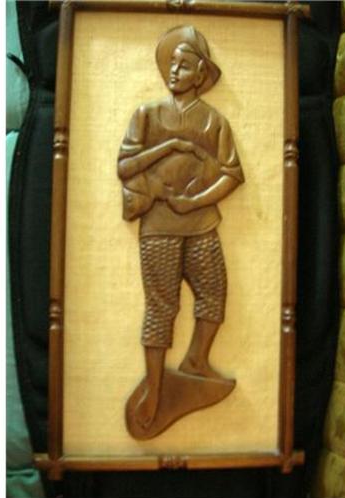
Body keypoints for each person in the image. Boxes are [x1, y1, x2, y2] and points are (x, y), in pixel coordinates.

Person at [118, 25, 244, 430]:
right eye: (171, 63)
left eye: (184, 66)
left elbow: (232, 174)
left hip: (202, 224)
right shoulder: (147, 115)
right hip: (158, 227)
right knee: (162, 307)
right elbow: (125, 167)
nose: (174, 71)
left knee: (214, 295)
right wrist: (170, 146)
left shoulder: (214, 122)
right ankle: (155, 391)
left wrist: (196, 201)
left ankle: (195, 360)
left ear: (201, 74)